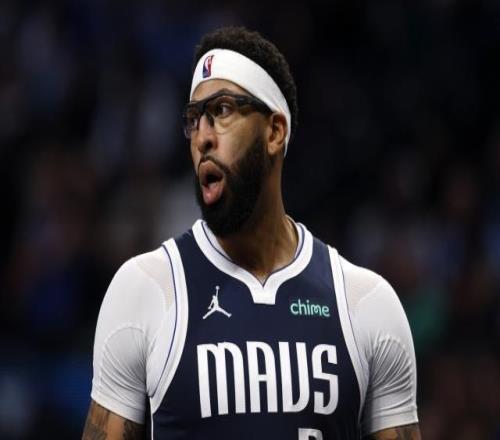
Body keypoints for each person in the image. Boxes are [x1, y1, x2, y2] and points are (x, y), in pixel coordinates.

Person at [83, 26, 420, 439]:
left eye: (222, 110)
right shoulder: (144, 291)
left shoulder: (366, 305)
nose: (203, 137)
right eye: (193, 119)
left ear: (274, 132)